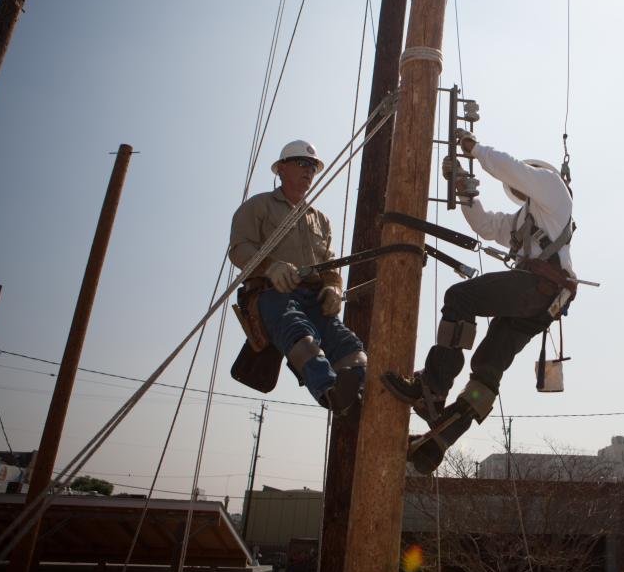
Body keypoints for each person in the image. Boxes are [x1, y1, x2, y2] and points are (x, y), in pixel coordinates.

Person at [383, 129, 576, 474]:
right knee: (487, 368)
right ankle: (439, 440)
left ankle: (433, 387)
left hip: (538, 289)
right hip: (542, 304)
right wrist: (463, 189)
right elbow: (486, 226)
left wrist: (475, 150)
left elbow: (512, 168)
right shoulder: (522, 221)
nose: (518, 186)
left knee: (461, 298)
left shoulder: (553, 188)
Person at [229, 140, 366, 415]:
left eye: (313, 167)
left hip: (313, 299)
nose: (309, 171)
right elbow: (239, 249)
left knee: (349, 344)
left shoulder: (320, 220)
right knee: (299, 331)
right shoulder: (259, 206)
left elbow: (329, 263)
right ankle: (329, 391)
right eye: (302, 164)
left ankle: (360, 397)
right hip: (272, 294)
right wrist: (271, 266)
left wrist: (332, 287)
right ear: (281, 169)